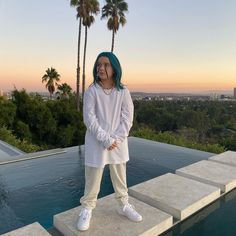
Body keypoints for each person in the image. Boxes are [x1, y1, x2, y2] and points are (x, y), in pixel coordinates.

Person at [77, 52, 142, 231]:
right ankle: (87, 209)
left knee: (120, 176)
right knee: (93, 178)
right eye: (99, 64)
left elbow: (127, 119)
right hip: (97, 142)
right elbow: (89, 118)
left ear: (114, 68)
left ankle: (124, 205)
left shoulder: (123, 92)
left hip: (117, 143)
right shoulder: (92, 91)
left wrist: (117, 139)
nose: (101, 68)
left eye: (106, 64)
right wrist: (105, 139)